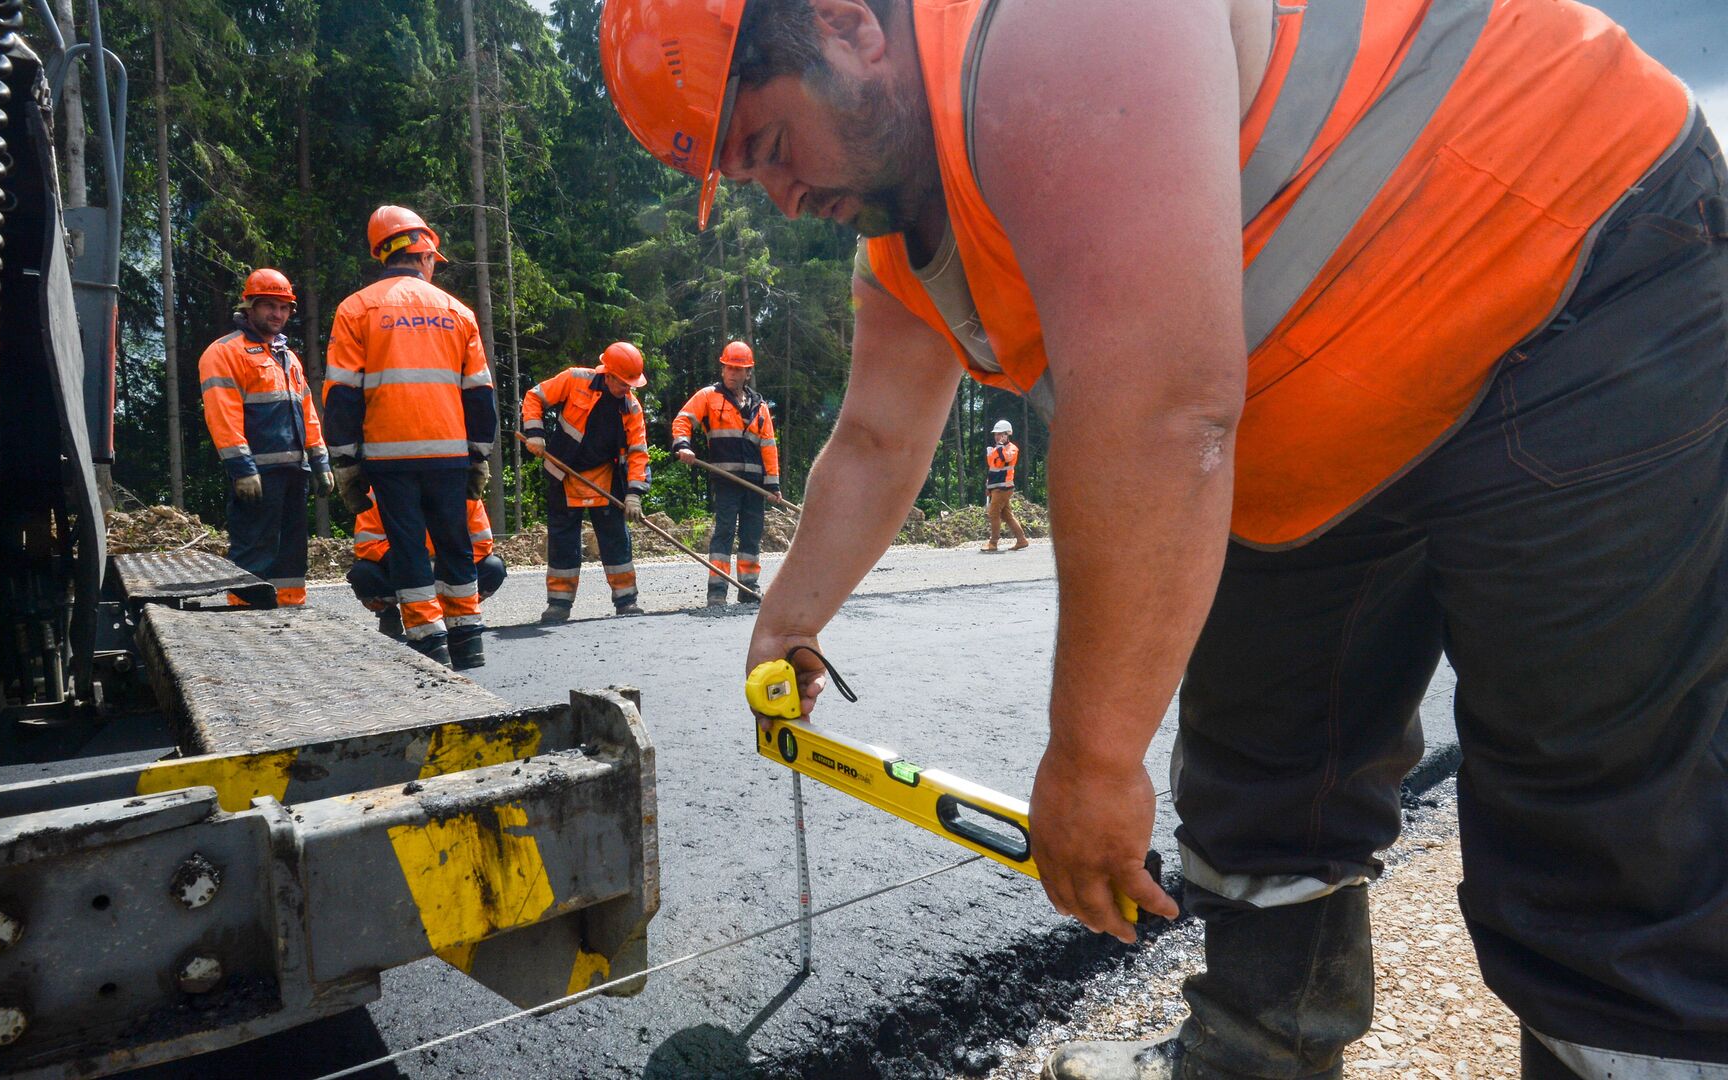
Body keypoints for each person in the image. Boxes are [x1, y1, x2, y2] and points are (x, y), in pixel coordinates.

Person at [601, 0, 1728, 1074]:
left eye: (773, 144)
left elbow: (1160, 410)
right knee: (1262, 765)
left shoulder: (1046, 31)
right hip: (1321, 418)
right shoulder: (905, 236)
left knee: (1601, 814)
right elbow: (877, 438)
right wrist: (784, 623)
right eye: (750, 178)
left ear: (848, 28)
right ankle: (1258, 1053)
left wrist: (1091, 763)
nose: (782, 197)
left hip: (1574, 279)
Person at [323, 205, 496, 671]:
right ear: (424, 254)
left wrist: (346, 464)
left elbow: (342, 395)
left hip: (388, 456)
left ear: (383, 253)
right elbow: (480, 393)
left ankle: (429, 643)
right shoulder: (457, 311)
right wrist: (479, 455)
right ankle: (468, 640)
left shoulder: (356, 309)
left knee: (409, 549)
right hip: (449, 453)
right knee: (455, 543)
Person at [197, 268, 333, 606]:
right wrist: (242, 469)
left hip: (293, 473)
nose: (278, 314)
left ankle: (289, 608)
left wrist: (320, 461)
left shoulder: (287, 356)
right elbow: (223, 414)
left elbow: (307, 412)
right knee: (254, 549)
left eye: (284, 307)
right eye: (269, 306)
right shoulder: (225, 352)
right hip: (257, 474)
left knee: (291, 551)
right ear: (249, 306)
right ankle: (247, 616)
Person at [522, 342, 652, 624]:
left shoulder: (631, 407)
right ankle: (558, 604)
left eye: (631, 384)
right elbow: (534, 397)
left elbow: (638, 451)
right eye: (623, 383)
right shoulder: (574, 379)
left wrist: (634, 494)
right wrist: (534, 432)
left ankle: (626, 600)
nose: (627, 389)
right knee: (563, 540)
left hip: (605, 478)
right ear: (609, 374)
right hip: (564, 473)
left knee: (615, 539)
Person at [673, 340, 782, 604]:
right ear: (722, 370)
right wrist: (684, 446)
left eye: (738, 369)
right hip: (726, 479)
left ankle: (748, 588)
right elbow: (683, 420)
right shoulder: (709, 397)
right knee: (724, 531)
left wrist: (773, 485)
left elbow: (769, 447)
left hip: (754, 482)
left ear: (748, 373)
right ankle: (717, 591)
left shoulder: (759, 406)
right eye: (729, 368)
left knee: (752, 534)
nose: (732, 373)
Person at [348, 495, 507, 639]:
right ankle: (387, 612)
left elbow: (482, 543)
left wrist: (445, 566)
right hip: (403, 565)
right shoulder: (379, 490)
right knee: (362, 574)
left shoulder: (463, 487)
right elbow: (367, 544)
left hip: (449, 566)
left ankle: (455, 614)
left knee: (493, 568)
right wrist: (412, 564)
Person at [982, 418, 1028, 554]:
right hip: (996, 487)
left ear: (1007, 434)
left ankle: (993, 543)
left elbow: (1006, 458)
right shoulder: (997, 449)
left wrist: (1000, 447)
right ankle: (1021, 540)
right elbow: (993, 469)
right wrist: (988, 487)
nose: (996, 436)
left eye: (999, 434)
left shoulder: (1011, 448)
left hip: (1004, 488)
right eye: (995, 434)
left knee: (993, 513)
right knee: (1007, 515)